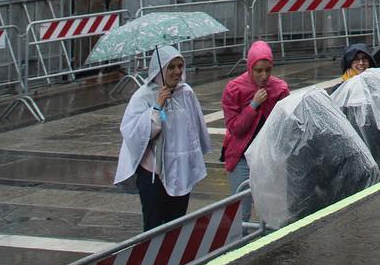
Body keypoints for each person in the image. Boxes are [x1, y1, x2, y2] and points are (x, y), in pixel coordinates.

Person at [114, 45, 211, 231]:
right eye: (171, 67)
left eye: (180, 66)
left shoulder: (186, 93)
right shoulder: (142, 96)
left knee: (176, 223)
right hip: (153, 173)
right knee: (153, 223)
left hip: (181, 168)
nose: (177, 72)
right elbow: (134, 133)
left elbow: (194, 128)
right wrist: (157, 107)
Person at [221, 40, 289, 202]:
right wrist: (253, 105)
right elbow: (235, 128)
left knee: (274, 206)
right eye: (258, 70)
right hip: (241, 157)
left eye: (268, 70)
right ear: (249, 67)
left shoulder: (280, 89)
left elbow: (285, 125)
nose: (264, 75)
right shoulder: (234, 89)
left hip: (270, 157)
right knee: (241, 209)